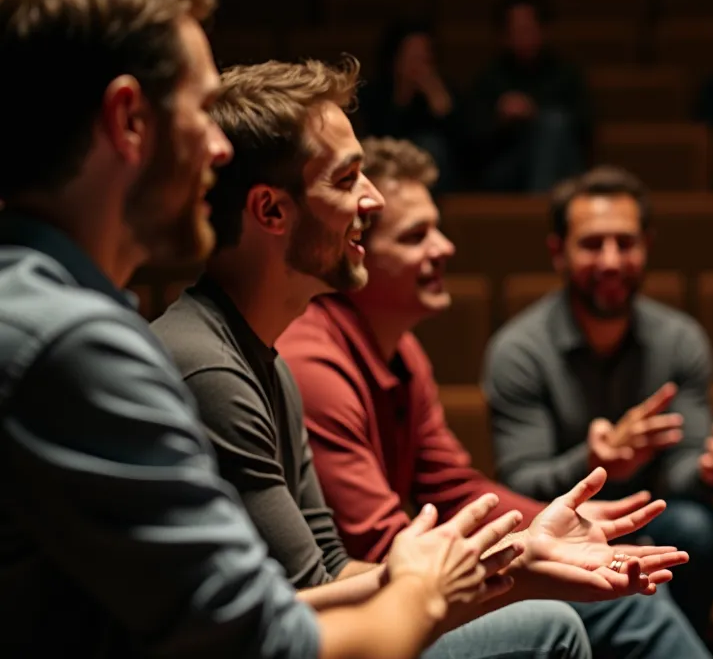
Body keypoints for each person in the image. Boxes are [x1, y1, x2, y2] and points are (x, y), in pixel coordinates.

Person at [0, 0, 529, 658]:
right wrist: (423, 586)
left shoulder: (44, 308)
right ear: (129, 120)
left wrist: (484, 566)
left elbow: (282, 596)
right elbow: (273, 645)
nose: (221, 149)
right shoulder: (74, 346)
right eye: (200, 111)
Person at [150, 58, 675, 659]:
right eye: (348, 180)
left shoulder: (265, 361)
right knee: (549, 629)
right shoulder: (213, 369)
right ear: (271, 212)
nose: (371, 201)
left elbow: (332, 569)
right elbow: (306, 593)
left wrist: (524, 553)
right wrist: (515, 563)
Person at [280, 136, 713, 659]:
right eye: (417, 236)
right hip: (362, 615)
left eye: (437, 230)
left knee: (641, 564)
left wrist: (561, 522)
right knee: (613, 603)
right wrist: (533, 553)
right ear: (357, 250)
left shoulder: (405, 352)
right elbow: (381, 546)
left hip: (400, 586)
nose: (444, 248)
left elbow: (453, 486)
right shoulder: (315, 361)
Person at [483, 164, 713, 636]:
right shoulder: (519, 350)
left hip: (653, 514)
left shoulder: (680, 340)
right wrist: (590, 462)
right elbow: (521, 481)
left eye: (625, 243)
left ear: (646, 247)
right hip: (554, 527)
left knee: (698, 526)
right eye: (592, 244)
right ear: (558, 253)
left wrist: (707, 469)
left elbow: (682, 471)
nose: (611, 260)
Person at [468, 0, 588, 192]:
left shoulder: (564, 73)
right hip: (506, 167)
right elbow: (471, 139)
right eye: (516, 30)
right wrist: (501, 119)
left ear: (541, 29)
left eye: (528, 28)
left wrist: (534, 112)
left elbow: (584, 124)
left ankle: (539, 207)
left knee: (553, 124)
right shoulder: (489, 78)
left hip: (559, 164)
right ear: (504, 35)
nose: (523, 35)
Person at [355, 21, 465, 193]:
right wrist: (403, 94)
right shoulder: (376, 91)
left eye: (424, 57)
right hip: (385, 168)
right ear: (395, 59)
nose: (418, 65)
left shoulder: (444, 90)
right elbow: (376, 137)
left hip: (435, 177)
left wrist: (441, 104)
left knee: (431, 144)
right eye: (411, 56)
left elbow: (464, 146)